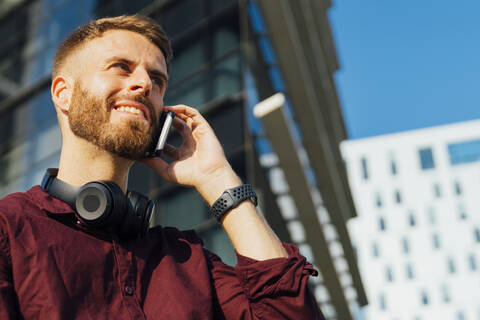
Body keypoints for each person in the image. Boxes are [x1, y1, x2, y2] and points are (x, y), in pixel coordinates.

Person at [0, 15, 323, 319]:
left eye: (157, 79)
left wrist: (216, 177)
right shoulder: (9, 228)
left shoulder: (190, 261)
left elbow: (288, 313)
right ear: (63, 94)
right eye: (121, 67)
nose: (144, 84)